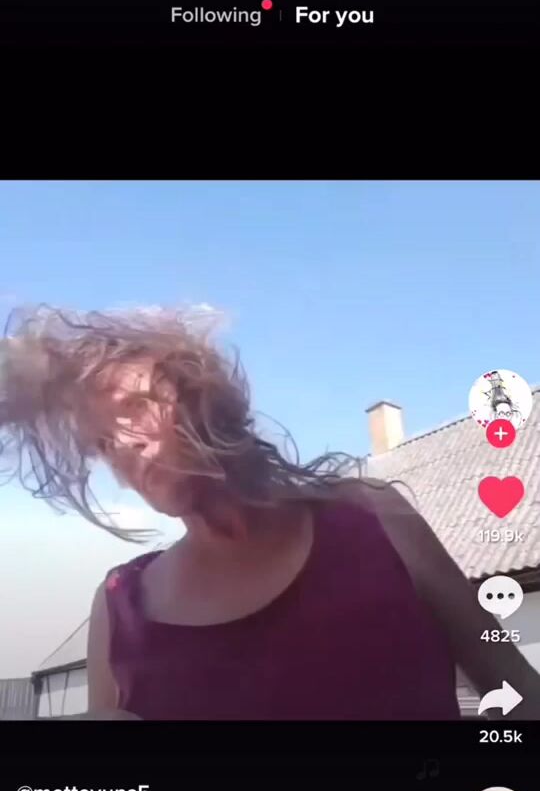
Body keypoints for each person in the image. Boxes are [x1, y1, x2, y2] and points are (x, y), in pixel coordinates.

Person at [2, 304, 540, 721]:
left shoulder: (373, 518)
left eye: (135, 408)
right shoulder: (121, 605)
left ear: (202, 396)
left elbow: (515, 690)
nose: (124, 445)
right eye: (102, 442)